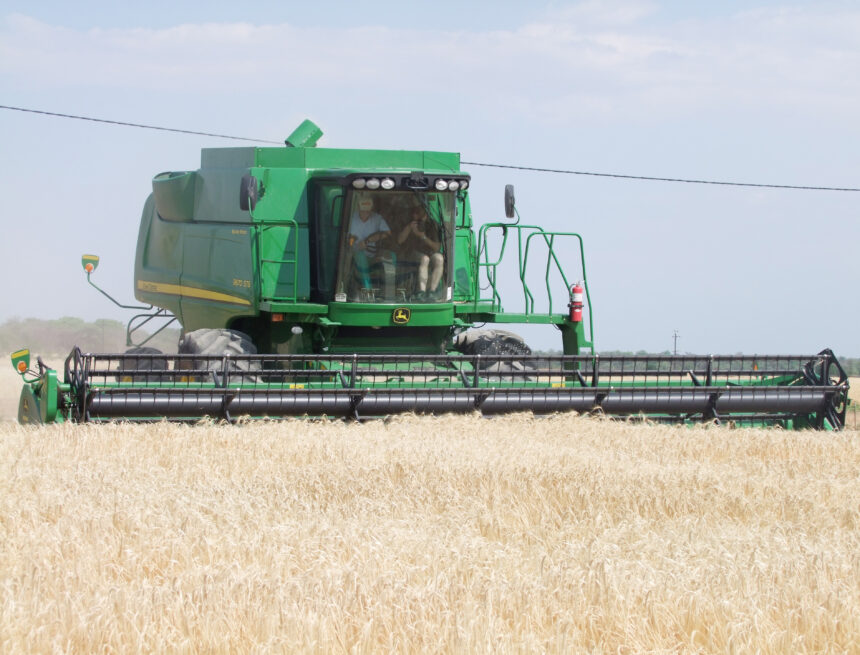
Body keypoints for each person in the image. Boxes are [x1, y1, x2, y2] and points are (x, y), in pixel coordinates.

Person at [347, 197, 394, 300]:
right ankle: (368, 291)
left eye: (368, 211)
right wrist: (352, 241)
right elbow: (346, 237)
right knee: (360, 257)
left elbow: (387, 233)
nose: (365, 213)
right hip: (354, 254)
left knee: (391, 257)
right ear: (358, 209)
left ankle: (391, 294)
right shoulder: (351, 218)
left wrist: (368, 241)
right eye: (363, 211)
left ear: (371, 209)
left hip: (374, 253)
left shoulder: (377, 218)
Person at [396, 204, 443, 300]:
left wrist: (422, 236)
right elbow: (400, 240)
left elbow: (437, 247)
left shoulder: (433, 225)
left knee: (439, 259)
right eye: (413, 213)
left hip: (430, 253)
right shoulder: (408, 223)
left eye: (417, 213)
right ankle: (421, 292)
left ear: (424, 213)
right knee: (424, 259)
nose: (414, 215)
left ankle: (432, 292)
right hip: (411, 253)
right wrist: (409, 228)